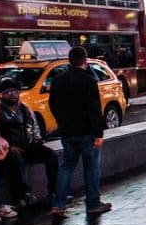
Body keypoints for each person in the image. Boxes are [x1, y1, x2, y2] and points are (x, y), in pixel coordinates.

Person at [48, 46, 112, 216]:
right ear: (85, 60)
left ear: (70, 60)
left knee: (66, 166)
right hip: (87, 132)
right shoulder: (88, 80)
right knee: (91, 168)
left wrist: (62, 123)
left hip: (67, 132)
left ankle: (58, 204)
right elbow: (94, 109)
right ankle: (93, 203)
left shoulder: (58, 80)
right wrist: (99, 132)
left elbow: (53, 105)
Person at [0, 76, 58, 208]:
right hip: (9, 149)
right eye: (8, 92)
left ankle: (53, 191)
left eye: (15, 91)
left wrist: (37, 139)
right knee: (16, 161)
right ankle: (22, 195)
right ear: (0, 95)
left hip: (28, 145)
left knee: (51, 155)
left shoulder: (24, 108)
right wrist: (8, 146)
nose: (12, 94)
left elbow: (33, 125)